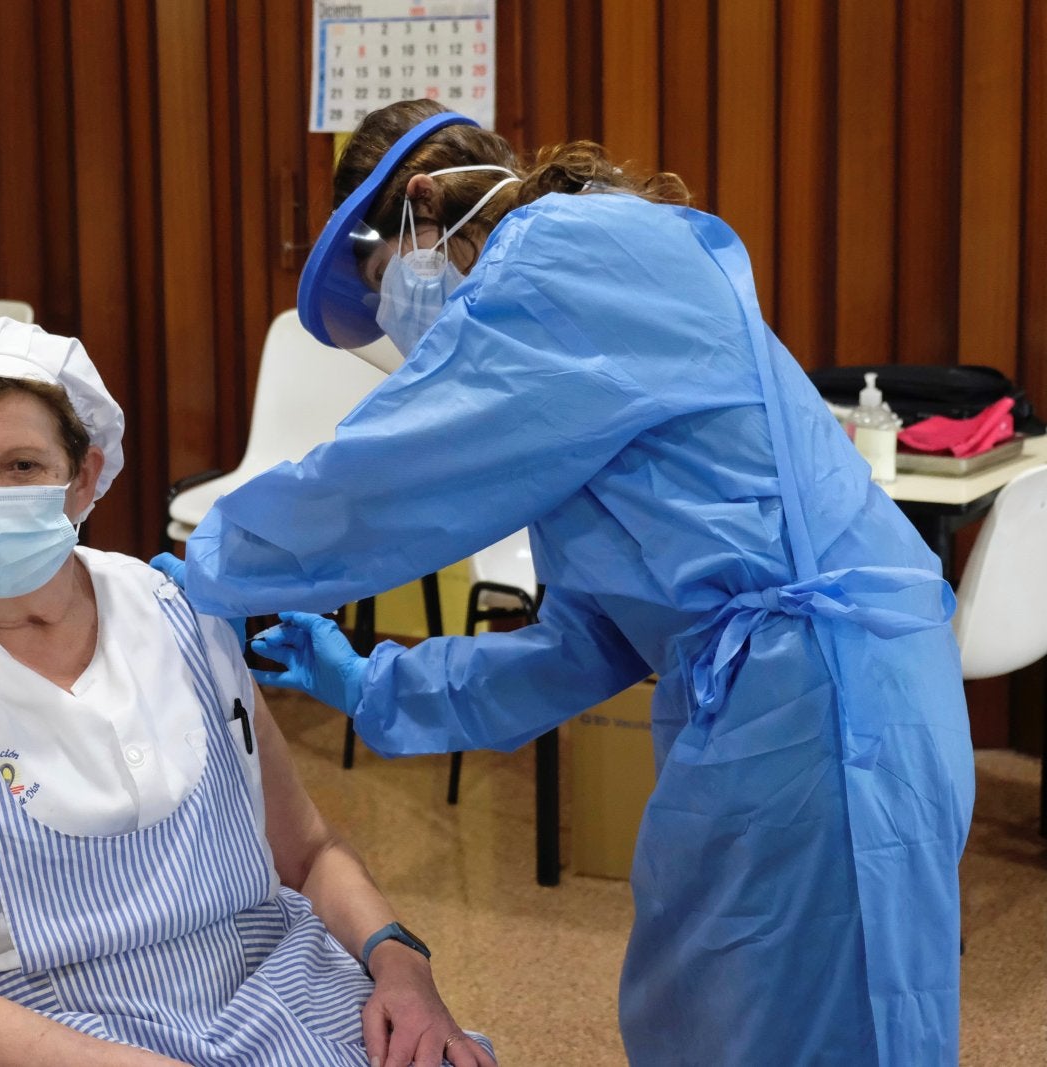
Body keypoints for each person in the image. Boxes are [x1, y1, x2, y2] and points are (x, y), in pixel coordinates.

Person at [154, 101, 975, 1065]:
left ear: (422, 207)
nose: (408, 336)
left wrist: (209, 567)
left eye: (388, 286)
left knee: (812, 1025)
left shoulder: (568, 258)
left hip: (826, 703)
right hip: (780, 696)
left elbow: (393, 475)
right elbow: (583, 643)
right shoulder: (574, 369)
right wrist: (369, 682)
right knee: (713, 1011)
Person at [0, 317, 496, 1067]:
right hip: (29, 1028)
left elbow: (311, 850)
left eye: (22, 465)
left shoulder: (180, 611)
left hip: (260, 981)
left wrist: (400, 963)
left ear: (85, 476)